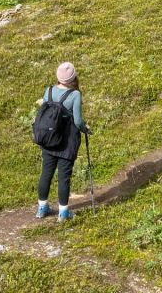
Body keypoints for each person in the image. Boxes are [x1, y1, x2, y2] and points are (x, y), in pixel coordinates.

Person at [36, 61, 91, 221]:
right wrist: (86, 129)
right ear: (73, 77)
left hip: (49, 139)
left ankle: (42, 208)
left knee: (46, 173)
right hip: (66, 142)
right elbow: (78, 121)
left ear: (58, 77)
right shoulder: (75, 95)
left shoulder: (49, 90)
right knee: (64, 176)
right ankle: (63, 213)